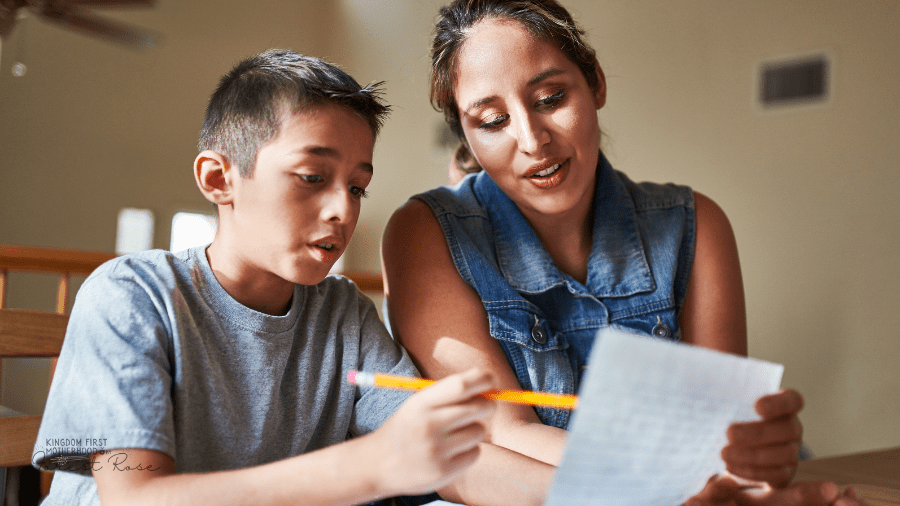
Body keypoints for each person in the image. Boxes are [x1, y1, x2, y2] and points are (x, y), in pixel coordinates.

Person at [380, 1, 868, 505]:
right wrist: (678, 482)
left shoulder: (695, 224)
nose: (532, 139)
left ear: (595, 82)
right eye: (493, 120)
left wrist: (755, 457)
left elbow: (720, 438)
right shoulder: (426, 233)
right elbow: (501, 434)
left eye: (550, 98)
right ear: (467, 135)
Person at [32, 49, 496, 506]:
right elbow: (135, 498)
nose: (343, 210)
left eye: (357, 187)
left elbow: (458, 464)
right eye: (313, 176)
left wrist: (568, 480)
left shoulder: (343, 314)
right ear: (218, 179)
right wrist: (371, 464)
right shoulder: (130, 295)